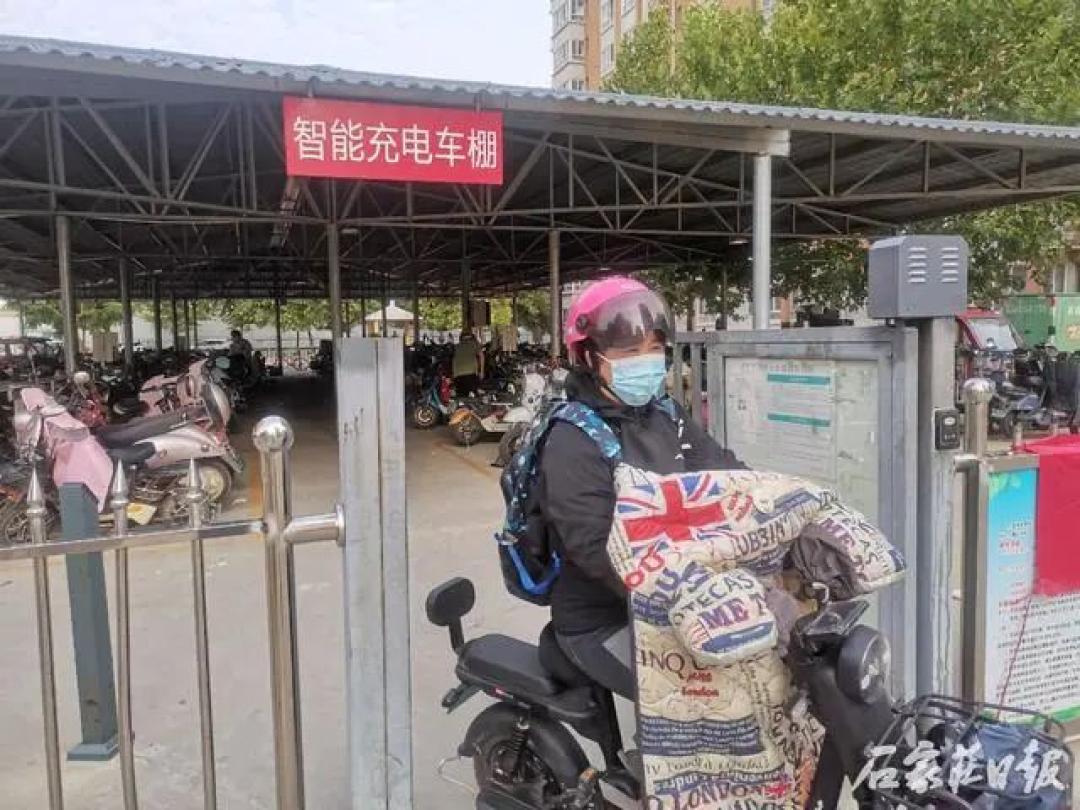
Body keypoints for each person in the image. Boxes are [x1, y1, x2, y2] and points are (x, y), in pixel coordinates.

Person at [537, 277, 744, 700]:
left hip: (682, 601)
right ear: (588, 357)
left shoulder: (666, 415)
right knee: (699, 700)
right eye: (629, 351)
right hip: (604, 617)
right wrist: (686, 594)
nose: (646, 361)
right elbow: (596, 549)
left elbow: (726, 474)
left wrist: (787, 512)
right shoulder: (571, 439)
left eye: (653, 348)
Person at [452, 327, 484, 396]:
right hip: (471, 373)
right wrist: (481, 371)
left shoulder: (456, 346)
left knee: (462, 394)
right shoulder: (474, 344)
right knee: (475, 393)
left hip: (458, 375)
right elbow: (481, 356)